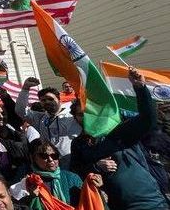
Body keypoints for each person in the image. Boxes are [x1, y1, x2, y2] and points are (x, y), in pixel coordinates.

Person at [70, 68, 170, 210]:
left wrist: (140, 88)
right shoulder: (79, 144)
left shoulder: (118, 132)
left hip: (151, 202)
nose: (86, 117)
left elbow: (148, 119)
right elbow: (75, 172)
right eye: (81, 115)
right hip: (114, 205)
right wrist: (96, 167)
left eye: (89, 112)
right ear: (75, 118)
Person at [10, 139, 101, 207]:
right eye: (44, 156)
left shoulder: (72, 178)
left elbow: (88, 202)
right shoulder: (28, 182)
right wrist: (31, 197)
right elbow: (17, 206)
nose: (50, 160)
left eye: (54, 156)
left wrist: (95, 188)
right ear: (32, 158)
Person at [15, 78, 81, 168]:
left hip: (73, 162)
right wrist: (25, 88)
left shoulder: (72, 114)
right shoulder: (40, 118)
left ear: (58, 99)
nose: (47, 102)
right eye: (43, 100)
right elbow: (20, 110)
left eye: (50, 99)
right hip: (50, 164)